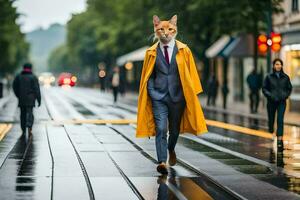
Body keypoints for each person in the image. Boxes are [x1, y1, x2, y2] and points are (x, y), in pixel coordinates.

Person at [136, 15, 207, 175]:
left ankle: (171, 149)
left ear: (175, 30)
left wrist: (190, 93)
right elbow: (148, 75)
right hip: (158, 97)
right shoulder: (150, 52)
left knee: (174, 130)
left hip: (178, 97)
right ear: (155, 28)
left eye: (170, 29)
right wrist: (152, 92)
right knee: (161, 128)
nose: (166, 33)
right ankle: (162, 161)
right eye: (161, 29)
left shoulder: (184, 50)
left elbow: (191, 73)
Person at [262, 58, 292, 150]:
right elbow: (264, 89)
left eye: (280, 64)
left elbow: (289, 88)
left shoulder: (285, 77)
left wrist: (285, 95)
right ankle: (271, 130)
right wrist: (270, 95)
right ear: (273, 66)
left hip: (281, 102)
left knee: (280, 119)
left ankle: (279, 137)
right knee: (271, 119)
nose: (278, 66)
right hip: (271, 102)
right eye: (276, 64)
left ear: (282, 66)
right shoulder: (268, 77)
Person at [13, 63, 41, 136]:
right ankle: (29, 126)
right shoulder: (33, 77)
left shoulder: (18, 76)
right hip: (31, 99)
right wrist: (39, 99)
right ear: (31, 68)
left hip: (21, 98)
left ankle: (23, 130)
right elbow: (37, 89)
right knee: (30, 113)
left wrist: (18, 95)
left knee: (22, 114)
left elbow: (14, 86)